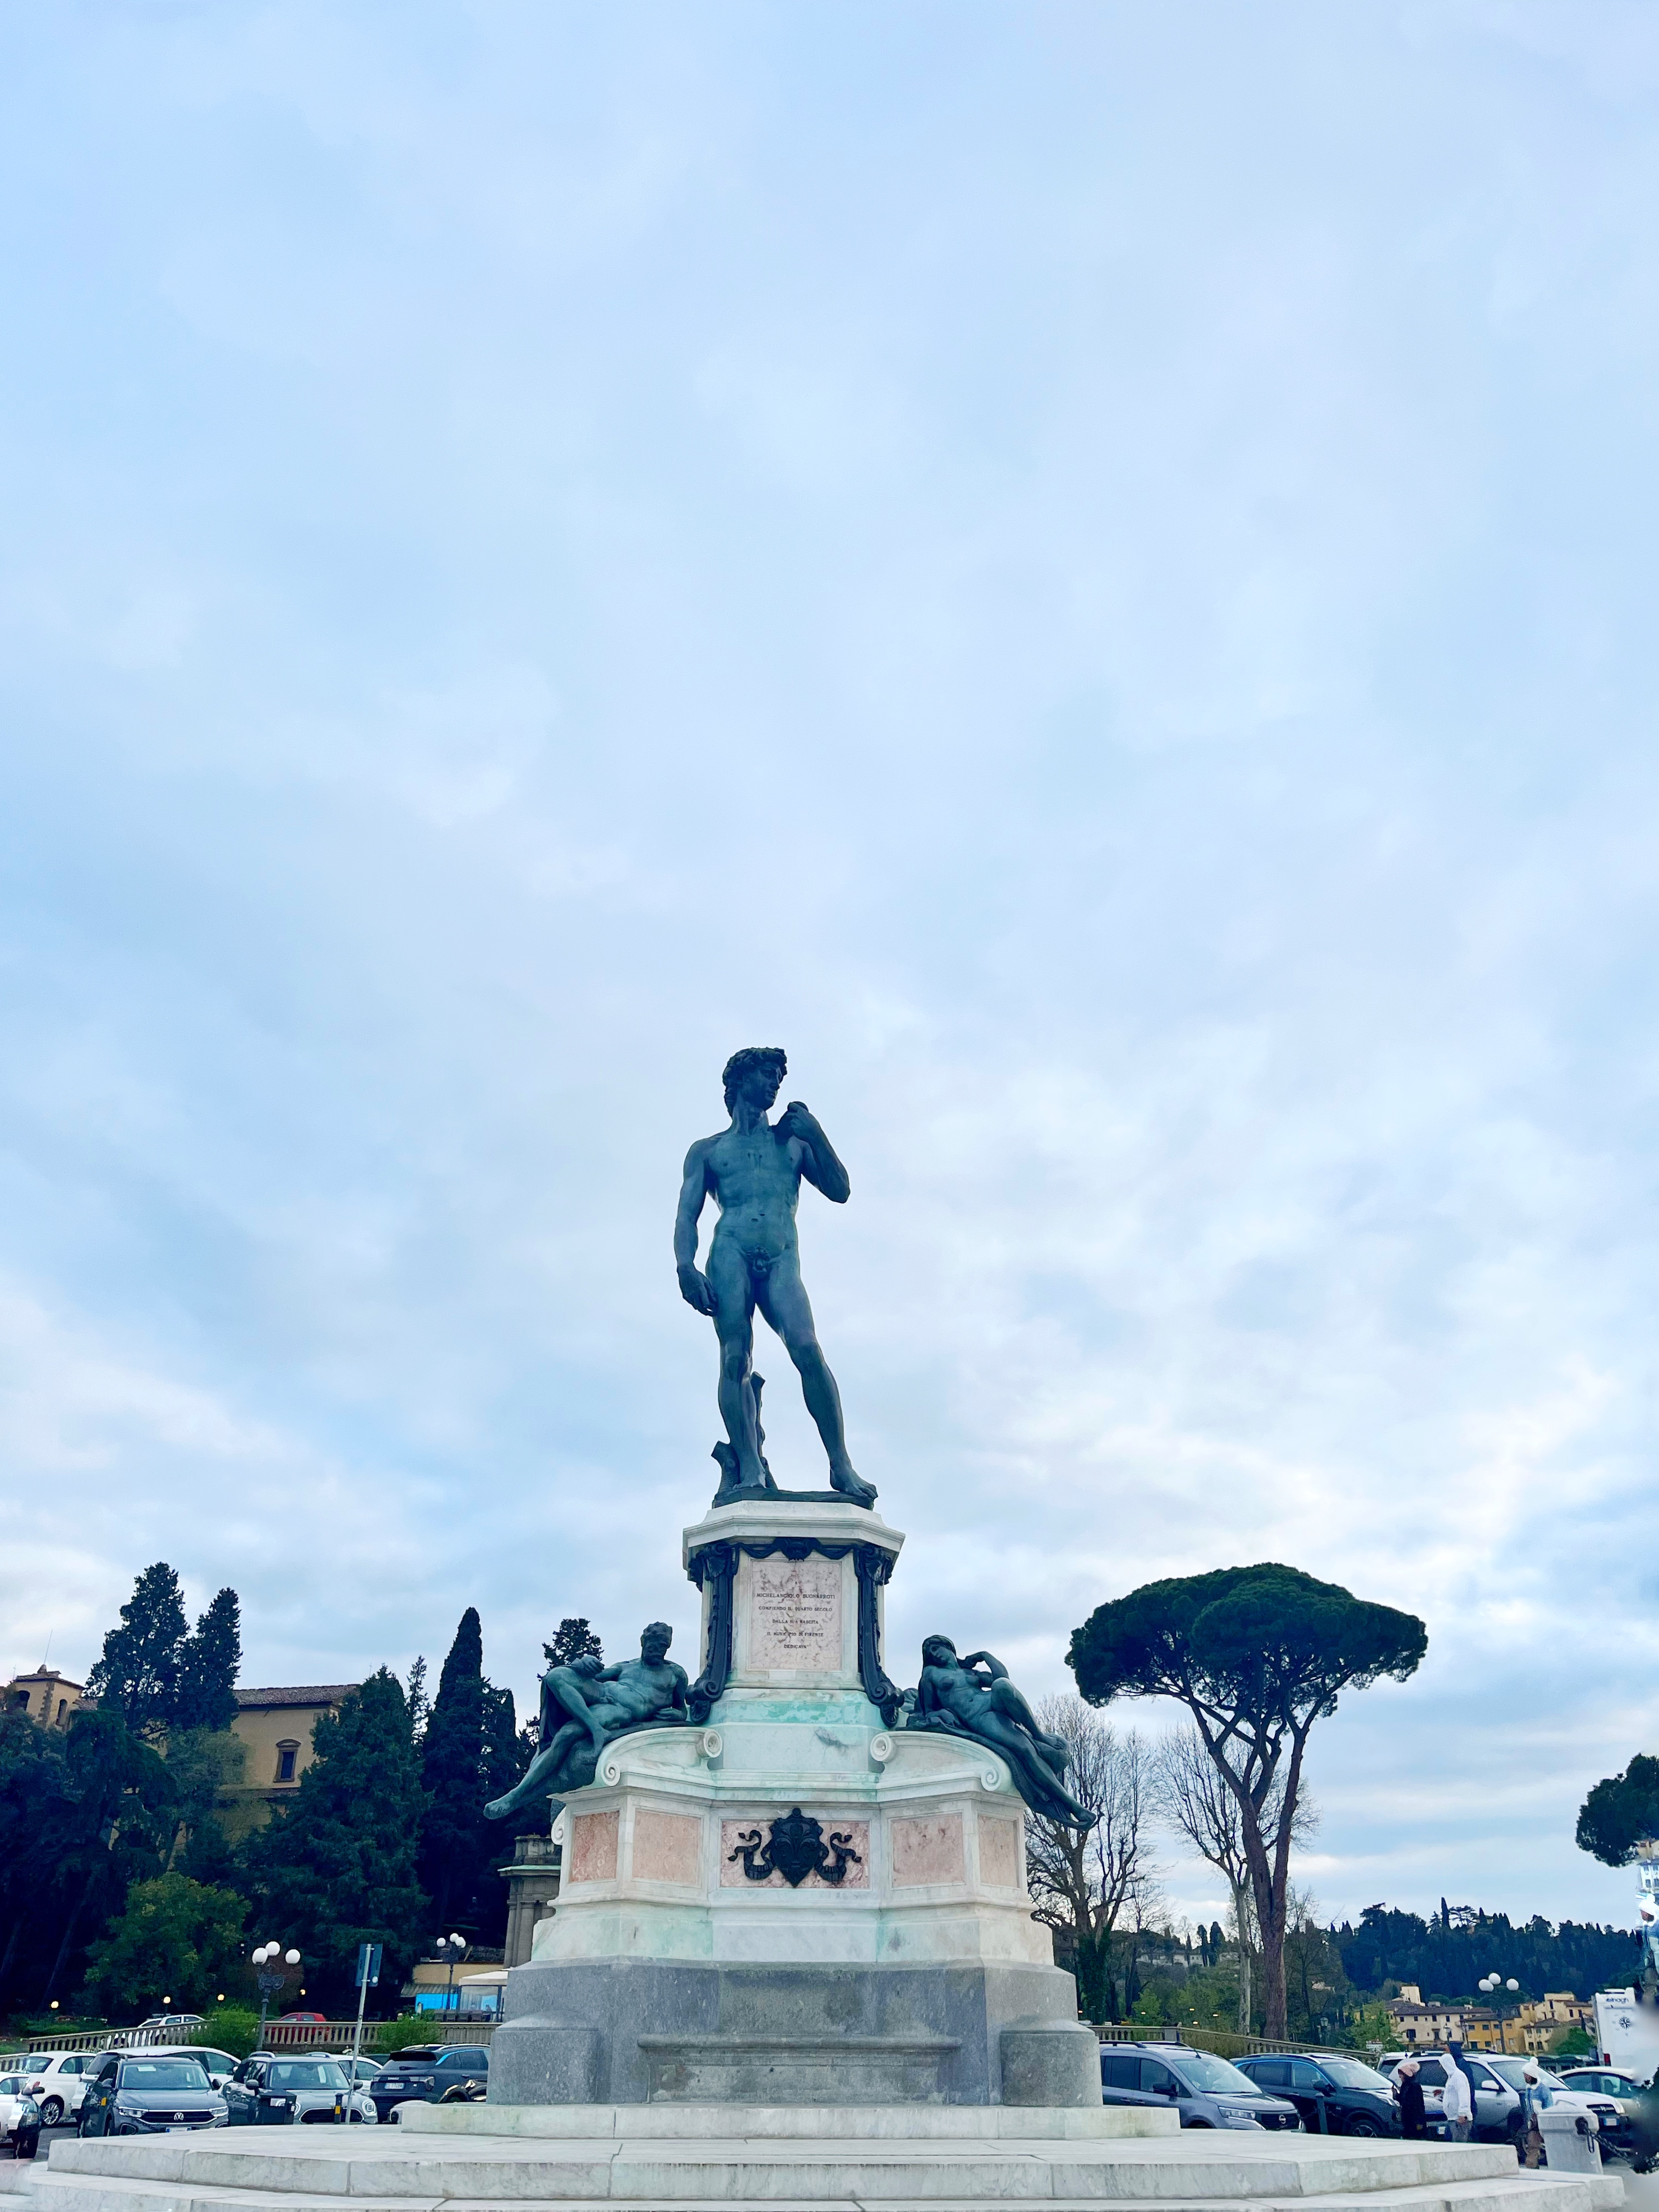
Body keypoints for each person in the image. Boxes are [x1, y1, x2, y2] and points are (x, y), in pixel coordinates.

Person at [675, 1047, 876, 1505]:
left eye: (779, 1078)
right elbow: (687, 1215)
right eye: (768, 1074)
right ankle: (749, 1466)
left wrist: (817, 1134)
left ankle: (841, 1464)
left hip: (782, 1255)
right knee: (735, 1358)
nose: (775, 1084)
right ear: (740, 1080)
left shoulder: (792, 1142)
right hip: (730, 1252)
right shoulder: (709, 1151)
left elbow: (841, 1190)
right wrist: (685, 1266)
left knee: (806, 1347)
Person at [484, 1622, 689, 1821]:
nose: (657, 1650)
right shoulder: (626, 1666)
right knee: (555, 1676)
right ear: (643, 1642)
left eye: (662, 1646)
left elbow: (682, 1709)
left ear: (668, 1647)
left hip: (620, 1711)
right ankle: (596, 1729)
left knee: (567, 1734)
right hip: (602, 1692)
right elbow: (595, 1674)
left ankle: (516, 1796)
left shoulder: (675, 1674)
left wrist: (677, 1715)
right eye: (652, 1645)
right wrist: (583, 1662)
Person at [1519, 2063, 1553, 2169]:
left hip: (1543, 2122)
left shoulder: (1543, 2090)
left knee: (1548, 2146)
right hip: (1533, 2124)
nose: (1525, 2077)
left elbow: (1549, 2107)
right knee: (1533, 2147)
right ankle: (1532, 2167)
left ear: (1530, 2076)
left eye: (1526, 2075)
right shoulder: (1529, 2090)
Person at [1441, 2047, 1473, 2143]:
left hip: (1460, 2120)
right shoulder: (1451, 2077)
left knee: (1460, 2144)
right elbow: (1453, 2094)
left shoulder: (1458, 2076)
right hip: (1453, 2118)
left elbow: (1464, 2094)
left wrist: (1463, 2114)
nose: (1440, 2067)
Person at [1396, 2057, 1427, 2140]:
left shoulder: (1415, 2086)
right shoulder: (1404, 2086)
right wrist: (1396, 2095)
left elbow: (1418, 2105)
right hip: (1407, 2119)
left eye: (1402, 2074)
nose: (1400, 2077)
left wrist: (1420, 2122)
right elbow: (1402, 2099)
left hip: (1415, 2119)